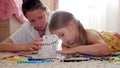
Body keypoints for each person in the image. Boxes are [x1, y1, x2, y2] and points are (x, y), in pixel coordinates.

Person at [49, 11, 120, 56]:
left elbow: (105, 50)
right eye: (59, 38)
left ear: (71, 26)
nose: (63, 40)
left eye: (62, 35)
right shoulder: (66, 43)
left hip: (115, 38)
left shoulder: (89, 34)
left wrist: (75, 49)